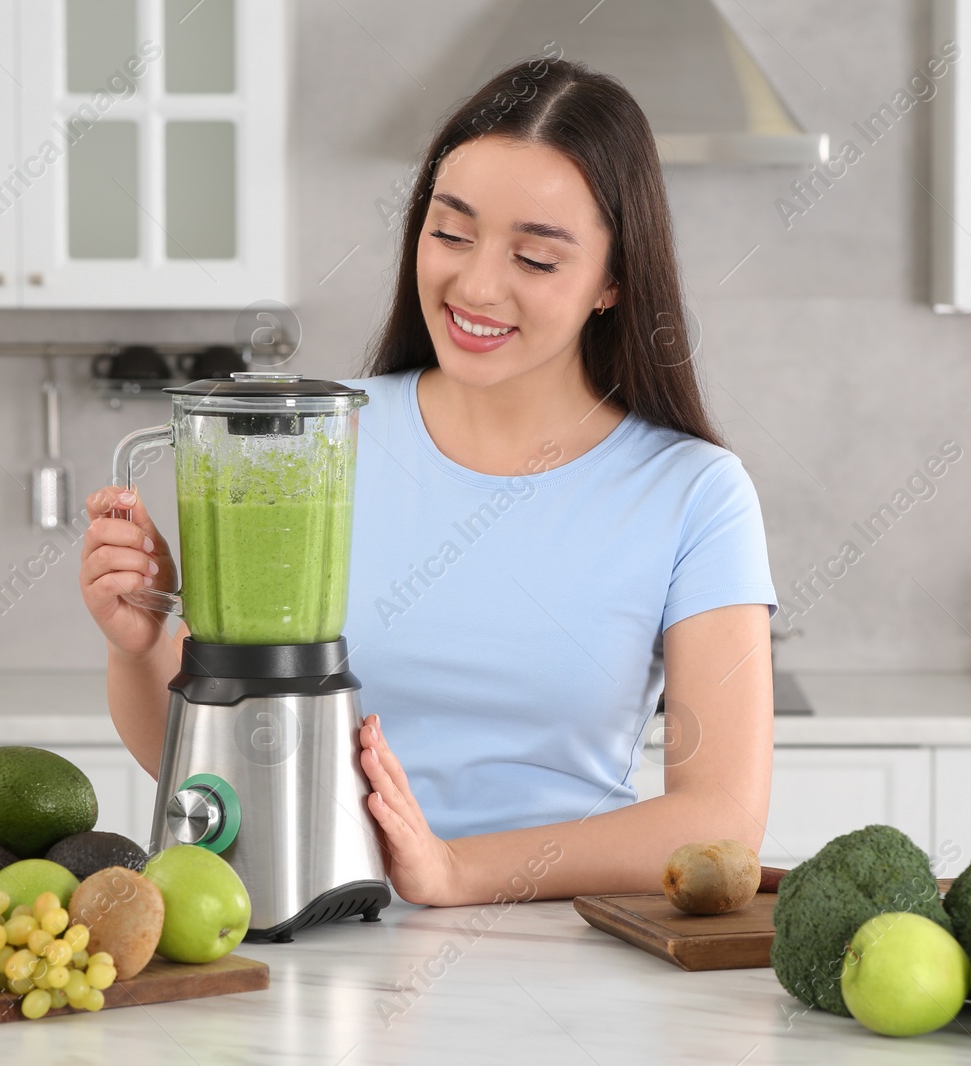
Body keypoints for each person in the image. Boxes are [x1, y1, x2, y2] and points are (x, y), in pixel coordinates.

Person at [79, 57, 778, 909]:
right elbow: (208, 771)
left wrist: (454, 870)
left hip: (565, 954)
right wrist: (141, 645)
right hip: (314, 935)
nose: (477, 285)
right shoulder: (315, 437)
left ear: (613, 282)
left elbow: (721, 820)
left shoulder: (693, 492)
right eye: (451, 235)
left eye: (535, 257)